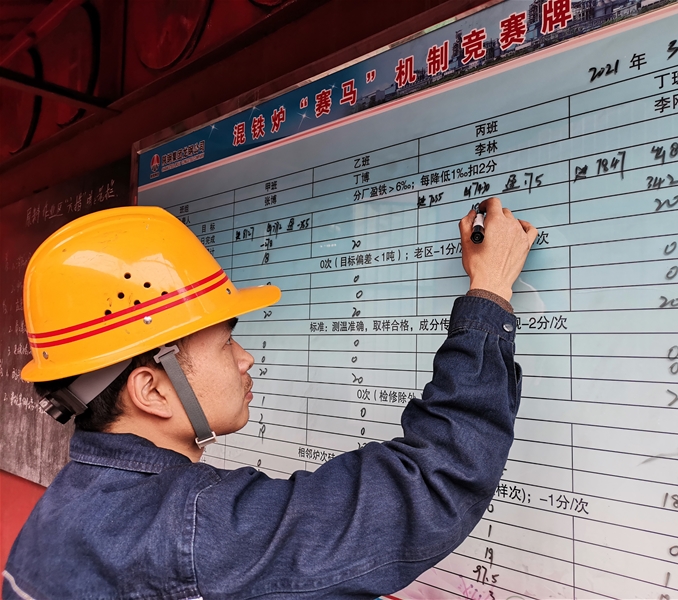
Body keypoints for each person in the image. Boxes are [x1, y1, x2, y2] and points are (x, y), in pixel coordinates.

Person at [3, 197, 536, 600]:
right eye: (224, 343)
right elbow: (432, 482)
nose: (246, 359)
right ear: (153, 389)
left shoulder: (58, 512)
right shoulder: (196, 530)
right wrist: (489, 292)